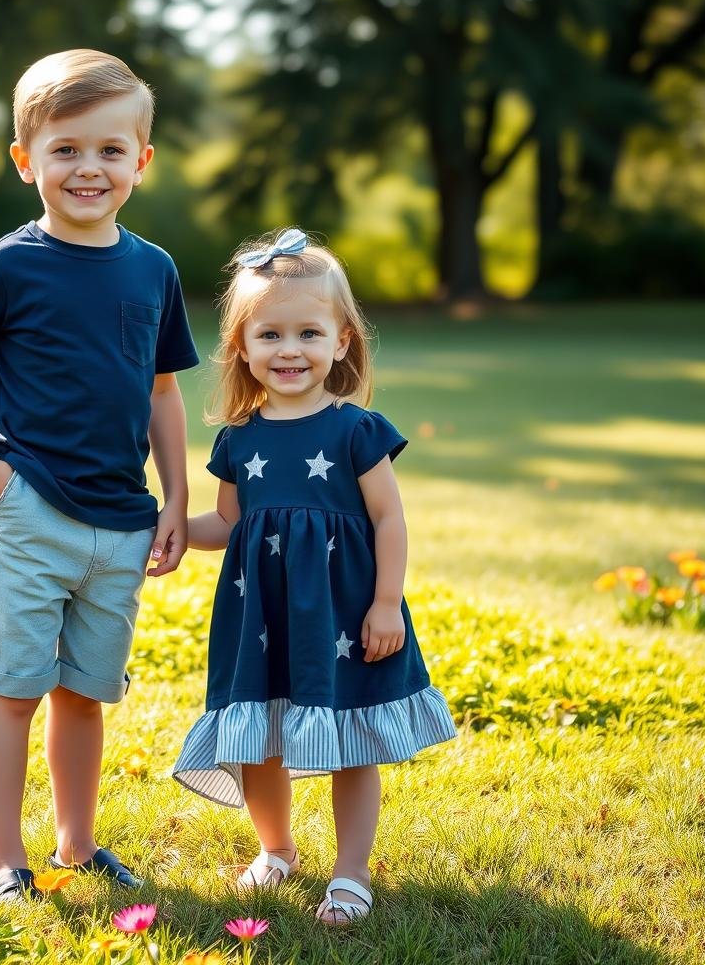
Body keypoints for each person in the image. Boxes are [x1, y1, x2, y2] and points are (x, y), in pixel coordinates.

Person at [0, 49, 198, 900]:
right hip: (32, 511)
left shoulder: (153, 269)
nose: (89, 168)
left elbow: (160, 391)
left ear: (141, 162)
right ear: (25, 160)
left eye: (111, 150)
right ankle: (5, 859)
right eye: (66, 149)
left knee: (85, 693)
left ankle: (78, 845)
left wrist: (178, 495)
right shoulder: (8, 264)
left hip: (122, 521)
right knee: (14, 692)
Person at [172, 228, 456, 925]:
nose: (289, 350)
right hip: (261, 617)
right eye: (270, 334)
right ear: (241, 345)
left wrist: (386, 603)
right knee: (260, 739)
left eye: (308, 332)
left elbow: (390, 520)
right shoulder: (239, 438)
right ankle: (276, 850)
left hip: (344, 613)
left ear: (342, 341)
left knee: (351, 739)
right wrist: (171, 532)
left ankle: (351, 872)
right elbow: (230, 525)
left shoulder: (356, 431)